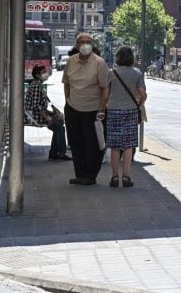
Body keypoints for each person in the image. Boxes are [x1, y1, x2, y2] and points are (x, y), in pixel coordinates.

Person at [62, 32, 110, 186]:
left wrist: (102, 109)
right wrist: (68, 101)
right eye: (82, 42)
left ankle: (90, 176)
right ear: (77, 45)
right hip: (73, 108)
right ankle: (80, 174)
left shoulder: (99, 63)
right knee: (75, 143)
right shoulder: (70, 61)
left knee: (93, 144)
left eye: (88, 41)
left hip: (94, 109)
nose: (85, 44)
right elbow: (66, 83)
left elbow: (105, 89)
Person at [107, 46, 147, 188]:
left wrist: (103, 107)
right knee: (128, 145)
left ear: (117, 57)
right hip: (130, 111)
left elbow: (105, 94)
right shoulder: (137, 73)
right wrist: (138, 105)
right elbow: (143, 95)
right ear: (132, 58)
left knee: (115, 147)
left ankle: (114, 177)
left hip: (113, 112)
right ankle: (126, 176)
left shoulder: (111, 73)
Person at [25, 64, 71, 161]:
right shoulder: (36, 86)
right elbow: (36, 106)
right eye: (43, 72)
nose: (45, 74)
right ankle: (61, 153)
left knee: (58, 127)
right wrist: (47, 118)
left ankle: (54, 153)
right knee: (60, 128)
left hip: (38, 113)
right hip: (36, 116)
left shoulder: (36, 84)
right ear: (37, 75)